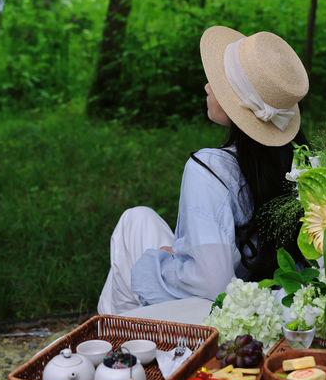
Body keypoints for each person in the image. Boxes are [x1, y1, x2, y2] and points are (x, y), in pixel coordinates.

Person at [97, 25, 309, 314]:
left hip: (215, 317)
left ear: (240, 106)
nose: (207, 86)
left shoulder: (211, 169)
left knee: (132, 235)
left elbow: (212, 284)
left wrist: (165, 262)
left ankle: (116, 338)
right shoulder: (301, 164)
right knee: (137, 219)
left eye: (218, 82)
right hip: (271, 299)